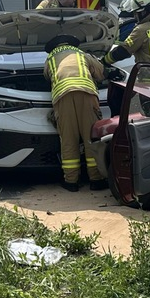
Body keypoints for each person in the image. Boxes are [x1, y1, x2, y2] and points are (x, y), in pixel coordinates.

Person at [44, 34, 108, 192]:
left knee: (68, 139)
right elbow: (100, 72)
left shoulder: (50, 60)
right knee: (91, 137)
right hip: (86, 94)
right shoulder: (82, 55)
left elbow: (47, 77)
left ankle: (71, 181)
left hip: (63, 97)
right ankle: (96, 179)